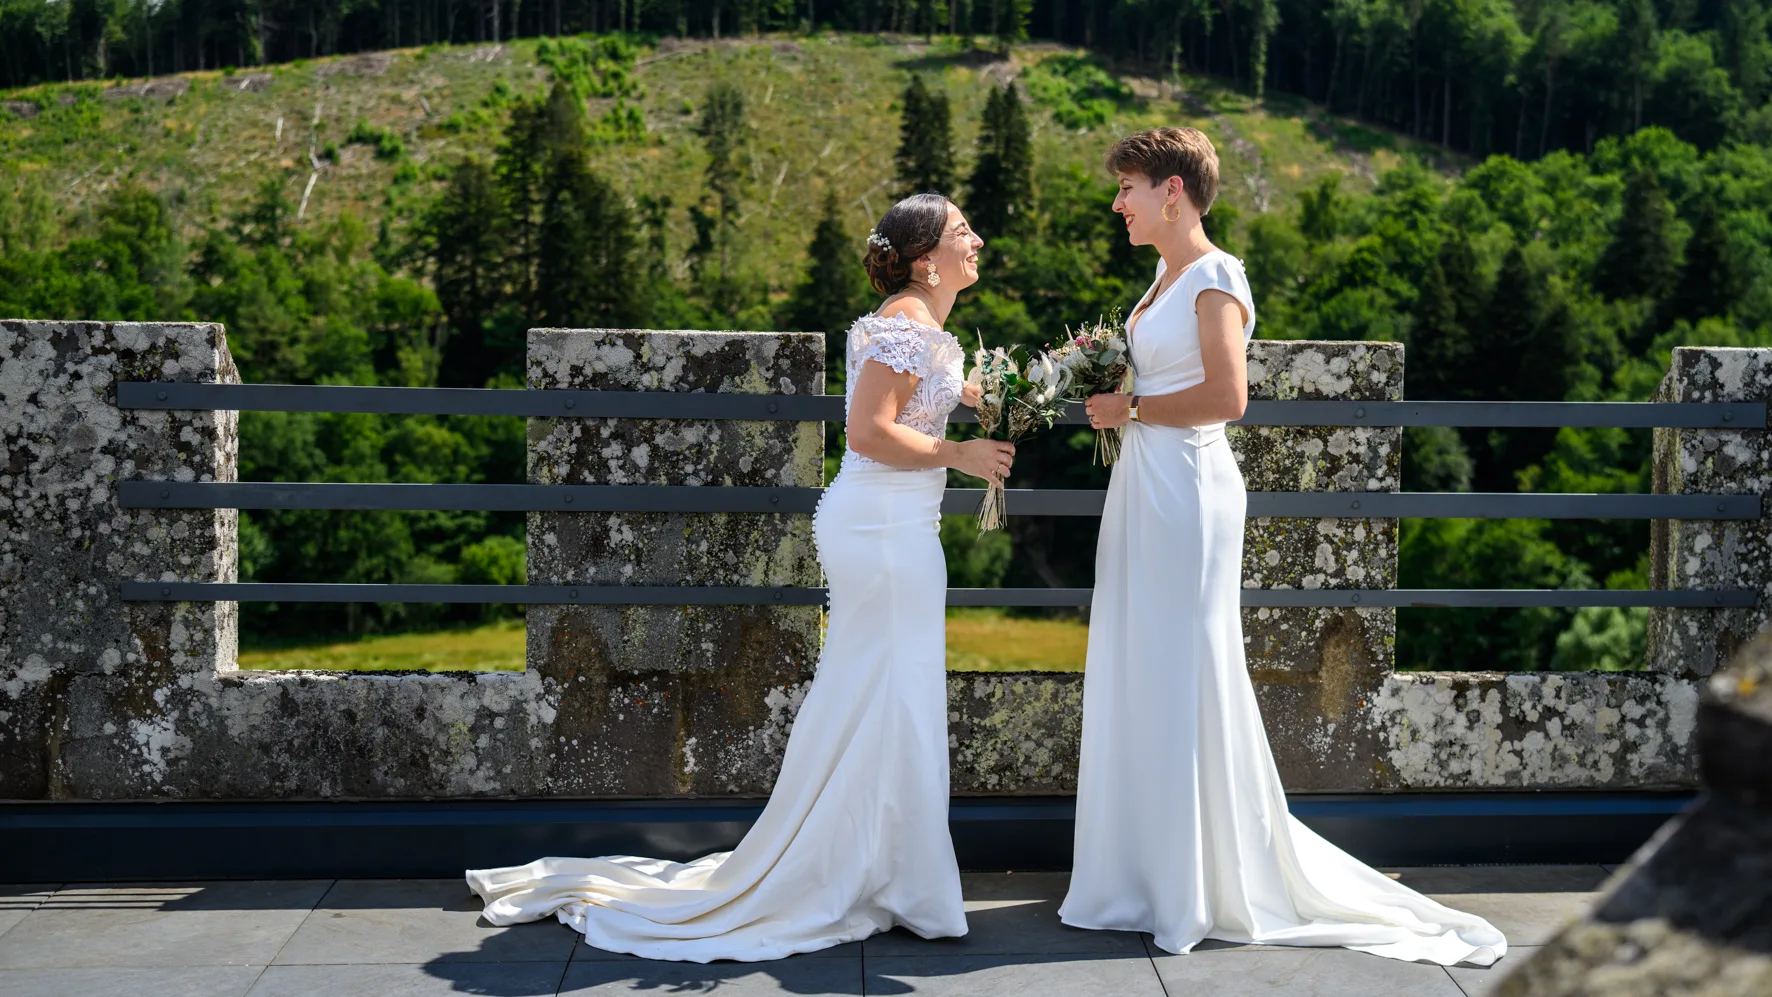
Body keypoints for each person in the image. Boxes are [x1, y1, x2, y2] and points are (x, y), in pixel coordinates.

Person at [465, 193, 1010, 963]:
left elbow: (927, 400)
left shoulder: (923, 328)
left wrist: (1012, 397)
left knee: (887, 693)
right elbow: (867, 430)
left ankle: (886, 870)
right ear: (926, 259)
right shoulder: (903, 325)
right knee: (886, 690)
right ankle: (873, 875)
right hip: (883, 531)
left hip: (896, 528)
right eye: (962, 231)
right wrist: (960, 455)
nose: (976, 238)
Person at [1059, 127, 1507, 967]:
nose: (1117, 203)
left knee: (1185, 661)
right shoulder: (1161, 278)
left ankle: (1197, 881)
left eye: (1129, 187)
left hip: (1188, 486)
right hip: (1146, 485)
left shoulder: (1216, 275)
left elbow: (1230, 396)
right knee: (1143, 660)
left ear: (1174, 193)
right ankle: (1146, 870)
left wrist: (1134, 412)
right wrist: (1116, 389)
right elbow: (1165, 377)